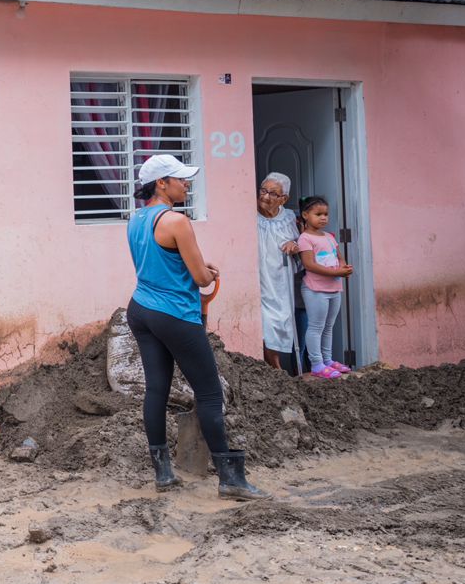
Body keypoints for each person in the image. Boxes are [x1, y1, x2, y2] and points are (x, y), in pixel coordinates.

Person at [126, 154, 269, 500]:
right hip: (175, 314)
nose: (186, 185)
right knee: (208, 393)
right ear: (162, 183)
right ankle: (230, 479)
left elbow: (162, 262)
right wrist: (210, 273)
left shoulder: (136, 218)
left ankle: (163, 473)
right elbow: (200, 278)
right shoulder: (177, 221)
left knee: (156, 390)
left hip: (141, 309)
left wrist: (197, 269)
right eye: (181, 179)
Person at [297, 196, 354, 379]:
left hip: (334, 289)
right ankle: (316, 364)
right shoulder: (305, 238)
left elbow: (339, 257)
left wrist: (344, 267)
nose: (323, 218)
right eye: (318, 214)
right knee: (316, 327)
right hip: (316, 290)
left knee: (329, 326)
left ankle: (327, 360)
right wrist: (336, 272)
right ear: (305, 215)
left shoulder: (329, 237)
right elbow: (309, 265)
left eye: (326, 214)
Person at [255, 173, 300, 371]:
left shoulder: (288, 217)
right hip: (259, 276)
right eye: (263, 190)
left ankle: (275, 368)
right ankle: (276, 368)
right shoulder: (250, 215)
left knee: (282, 319)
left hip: (281, 277)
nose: (265, 196)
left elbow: (300, 242)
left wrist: (294, 244)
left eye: (273, 193)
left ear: (284, 199)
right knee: (267, 321)